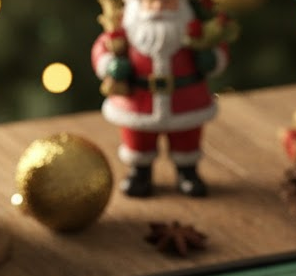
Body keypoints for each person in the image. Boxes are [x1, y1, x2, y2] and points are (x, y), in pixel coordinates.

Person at [92, 0, 236, 197]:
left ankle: (187, 172)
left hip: (185, 100)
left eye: (168, 2)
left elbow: (218, 45)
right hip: (139, 102)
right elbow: (101, 49)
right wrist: (110, 65)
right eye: (151, 2)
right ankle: (140, 173)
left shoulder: (196, 27)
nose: (159, 7)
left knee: (186, 139)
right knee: (138, 141)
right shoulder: (124, 27)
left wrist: (213, 58)